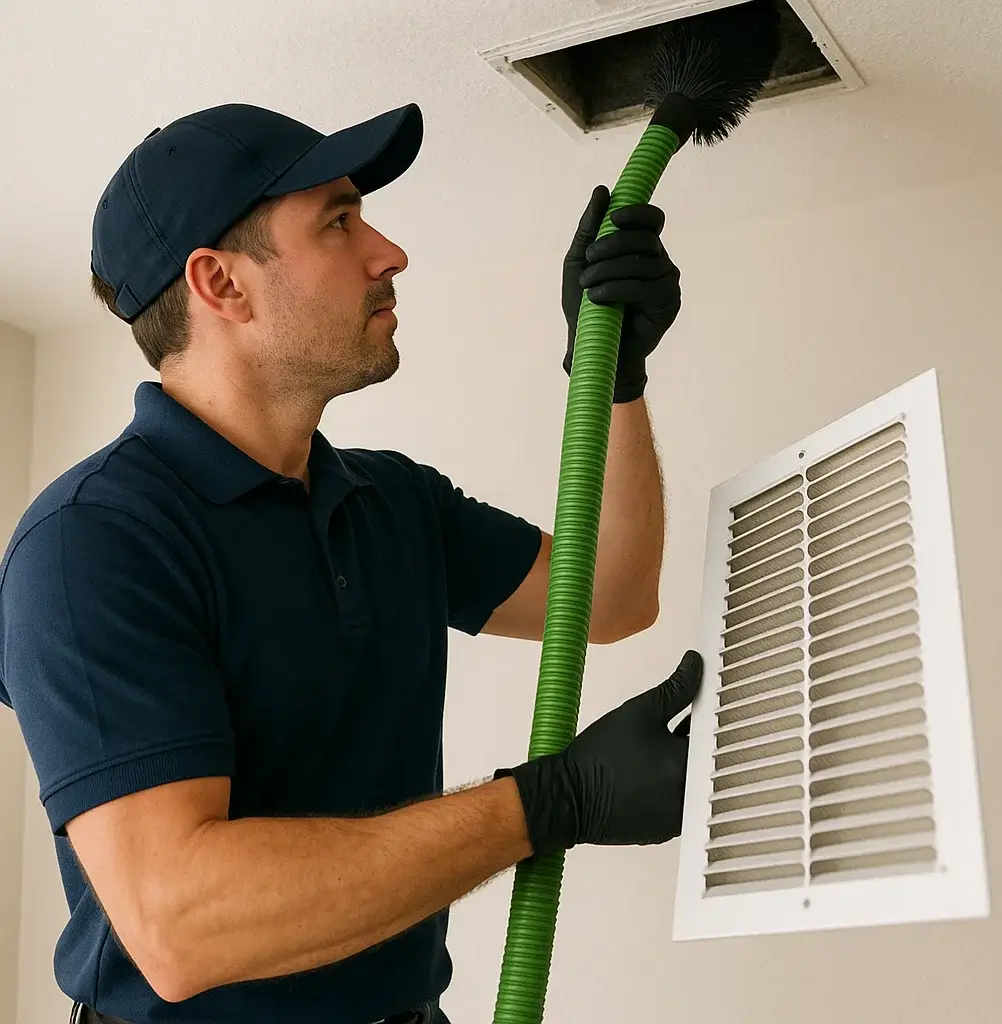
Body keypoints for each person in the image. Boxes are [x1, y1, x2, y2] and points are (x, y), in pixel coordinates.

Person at [0, 101, 703, 1024]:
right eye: (338, 220)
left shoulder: (391, 503)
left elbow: (609, 595)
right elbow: (181, 926)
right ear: (220, 284)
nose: (388, 252)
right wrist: (549, 804)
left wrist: (613, 375)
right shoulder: (90, 544)